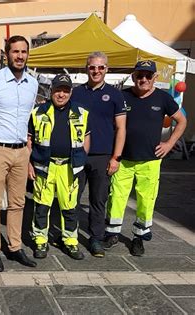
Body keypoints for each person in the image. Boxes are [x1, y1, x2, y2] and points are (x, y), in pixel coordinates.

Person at [104, 60, 187, 256]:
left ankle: (139, 237)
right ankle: (112, 233)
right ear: (133, 77)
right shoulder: (122, 96)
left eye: (148, 76)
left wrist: (169, 144)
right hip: (123, 160)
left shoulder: (163, 98)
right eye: (139, 75)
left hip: (149, 161)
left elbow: (182, 121)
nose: (143, 79)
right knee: (116, 197)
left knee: (146, 200)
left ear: (154, 78)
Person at [0, 35, 38, 272]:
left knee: (18, 202)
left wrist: (27, 150)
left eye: (24, 52)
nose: (20, 56)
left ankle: (15, 247)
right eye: (15, 52)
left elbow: (27, 118)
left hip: (21, 151)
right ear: (6, 54)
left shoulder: (32, 84)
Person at [28, 74, 91, 260]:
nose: (61, 94)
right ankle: (40, 241)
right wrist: (29, 163)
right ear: (51, 91)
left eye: (65, 90)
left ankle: (70, 242)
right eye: (58, 90)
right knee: (41, 205)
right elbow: (29, 140)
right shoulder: (38, 112)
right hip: (45, 167)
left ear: (71, 92)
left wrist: (82, 158)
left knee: (70, 207)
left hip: (69, 168)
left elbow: (86, 137)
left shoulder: (81, 113)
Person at [70, 52, 126, 258]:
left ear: (107, 69)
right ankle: (70, 235)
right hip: (77, 154)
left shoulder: (114, 94)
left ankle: (95, 238)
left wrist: (116, 157)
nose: (96, 71)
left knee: (98, 200)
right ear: (86, 68)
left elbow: (121, 128)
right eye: (93, 67)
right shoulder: (75, 93)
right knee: (71, 198)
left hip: (102, 155)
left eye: (101, 67)